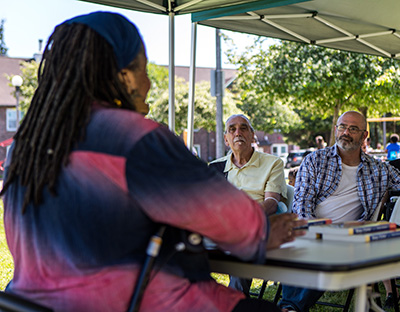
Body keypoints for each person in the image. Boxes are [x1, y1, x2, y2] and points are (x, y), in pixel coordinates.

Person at [1, 12, 307, 312]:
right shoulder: (136, 139)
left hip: (29, 302)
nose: (149, 84)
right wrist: (262, 231)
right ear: (125, 77)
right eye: (144, 71)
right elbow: (231, 219)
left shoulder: (24, 148)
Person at [278, 111, 400, 312]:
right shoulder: (315, 160)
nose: (346, 132)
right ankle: (291, 307)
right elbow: (302, 205)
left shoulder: (378, 169)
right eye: (342, 127)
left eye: (353, 129)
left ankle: (291, 307)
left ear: (364, 136)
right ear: (335, 130)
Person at [210, 114, 288, 296]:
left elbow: (271, 202)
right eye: (232, 129)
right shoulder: (215, 168)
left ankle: (235, 305)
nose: (238, 133)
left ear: (253, 136)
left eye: (243, 128)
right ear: (226, 139)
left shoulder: (272, 163)